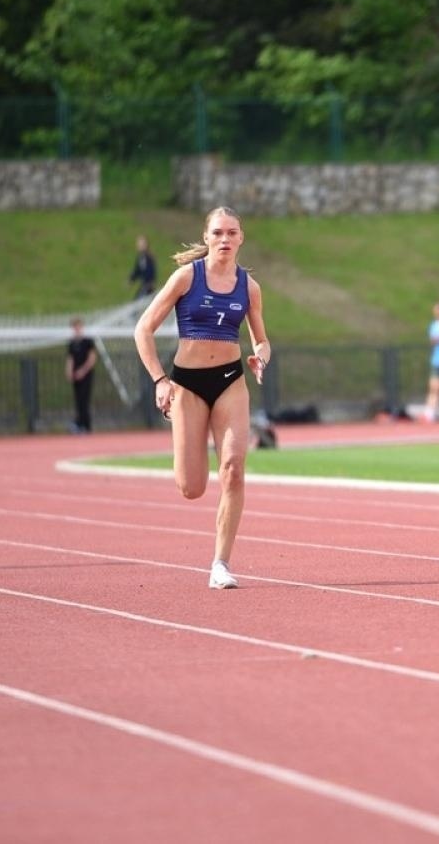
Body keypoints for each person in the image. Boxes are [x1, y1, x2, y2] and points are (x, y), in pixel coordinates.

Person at [134, 206, 272, 590]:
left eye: (232, 233)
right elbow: (143, 330)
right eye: (218, 233)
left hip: (230, 381)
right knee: (192, 487)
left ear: (241, 238)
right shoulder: (186, 278)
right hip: (187, 385)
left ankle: (220, 564)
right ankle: (179, 424)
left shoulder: (249, 287)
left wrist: (260, 357)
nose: (225, 239)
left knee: (233, 468)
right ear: (207, 237)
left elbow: (261, 339)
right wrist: (160, 380)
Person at [68, 318, 98, 434]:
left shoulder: (87, 342)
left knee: (84, 399)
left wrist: (83, 371)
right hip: (76, 376)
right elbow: (70, 359)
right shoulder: (72, 343)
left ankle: (86, 425)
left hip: (86, 375)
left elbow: (92, 358)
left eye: (78, 326)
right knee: (78, 400)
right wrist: (70, 371)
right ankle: (79, 423)